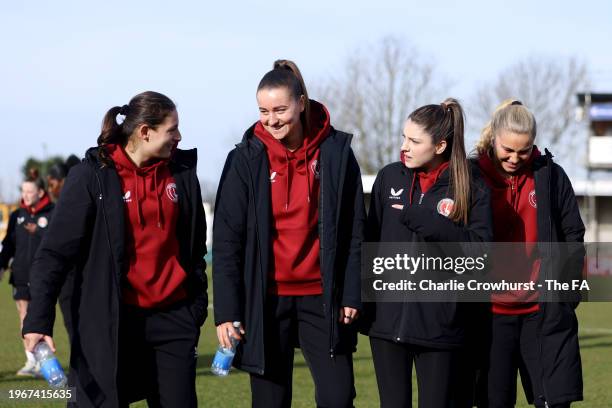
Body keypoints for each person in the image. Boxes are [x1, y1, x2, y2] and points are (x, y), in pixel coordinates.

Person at [22, 91, 208, 407]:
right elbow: (54, 253)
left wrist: (195, 310)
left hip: (174, 321)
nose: (179, 136)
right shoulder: (91, 176)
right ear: (145, 132)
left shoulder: (182, 174)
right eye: (172, 129)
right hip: (111, 324)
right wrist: (38, 321)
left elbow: (194, 252)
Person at [213, 59, 365, 408]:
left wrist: (353, 294)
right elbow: (226, 241)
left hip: (323, 298)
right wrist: (226, 310)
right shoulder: (244, 159)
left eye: (280, 109)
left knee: (338, 397)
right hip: (266, 301)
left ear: (301, 102)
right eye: (264, 111)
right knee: (270, 401)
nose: (272, 119)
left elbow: (355, 230)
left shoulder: (337, 153)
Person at [363, 98, 493, 407]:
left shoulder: (471, 186)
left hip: (441, 328)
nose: (404, 146)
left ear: (439, 146)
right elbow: (370, 243)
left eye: (414, 140)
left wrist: (433, 224)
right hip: (386, 324)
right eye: (404, 137)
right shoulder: (389, 176)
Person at [474, 100, 584, 407]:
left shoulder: (551, 176)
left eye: (524, 150)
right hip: (489, 317)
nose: (514, 158)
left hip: (542, 315)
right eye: (507, 149)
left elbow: (573, 234)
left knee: (553, 400)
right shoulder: (471, 177)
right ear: (493, 138)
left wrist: (567, 291)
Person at [0, 169, 54, 376]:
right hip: (21, 274)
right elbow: (8, 246)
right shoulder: (16, 216)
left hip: (44, 275)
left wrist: (39, 231)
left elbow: (58, 241)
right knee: (24, 315)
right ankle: (32, 361)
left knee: (40, 314)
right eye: (23, 191)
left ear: (40, 192)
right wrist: (2, 266)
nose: (25, 195)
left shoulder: (52, 212)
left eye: (30, 191)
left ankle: (45, 361)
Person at [46, 156, 80, 343]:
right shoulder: (58, 207)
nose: (50, 190)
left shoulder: (69, 206)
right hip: (66, 280)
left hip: (74, 278)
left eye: (52, 184)